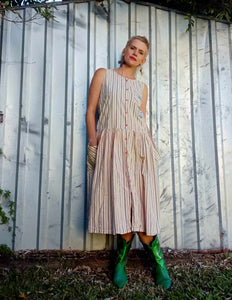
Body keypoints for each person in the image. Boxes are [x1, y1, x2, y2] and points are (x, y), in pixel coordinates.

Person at [85, 36, 172, 290]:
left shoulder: (142, 88)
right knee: (123, 206)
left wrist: (152, 148)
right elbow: (91, 111)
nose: (135, 52)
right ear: (125, 50)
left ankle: (158, 263)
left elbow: (141, 121)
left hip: (139, 149)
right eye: (132, 47)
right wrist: (93, 143)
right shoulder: (103, 74)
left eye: (141, 51)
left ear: (144, 60)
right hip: (111, 148)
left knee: (142, 207)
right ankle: (120, 263)